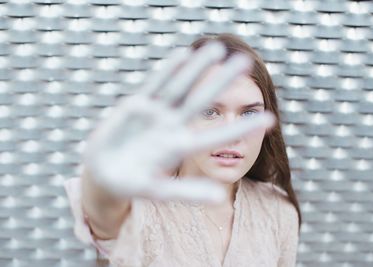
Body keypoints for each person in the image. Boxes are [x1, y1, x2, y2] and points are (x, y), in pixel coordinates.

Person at [64, 33, 302, 267]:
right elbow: (104, 216)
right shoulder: (143, 205)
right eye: (209, 111)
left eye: (249, 113)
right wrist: (102, 184)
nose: (234, 133)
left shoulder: (278, 210)